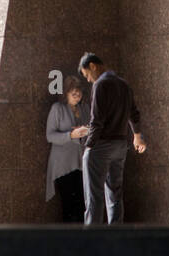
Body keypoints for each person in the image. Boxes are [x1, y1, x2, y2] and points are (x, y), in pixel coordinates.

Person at [79, 53, 146, 225]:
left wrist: (88, 146)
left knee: (94, 197)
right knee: (115, 195)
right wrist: (137, 137)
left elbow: (97, 120)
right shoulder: (124, 84)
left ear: (93, 66)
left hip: (101, 145)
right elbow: (134, 113)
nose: (88, 80)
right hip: (120, 145)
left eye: (86, 74)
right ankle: (116, 239)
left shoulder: (100, 85)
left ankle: (91, 244)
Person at [45, 75, 90, 222]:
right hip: (63, 165)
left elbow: (92, 128)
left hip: (81, 164)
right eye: (73, 93)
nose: (77, 96)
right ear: (66, 93)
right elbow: (50, 136)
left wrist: (86, 131)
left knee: (83, 204)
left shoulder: (84, 109)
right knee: (69, 205)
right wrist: (70, 135)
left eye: (79, 93)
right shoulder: (57, 109)